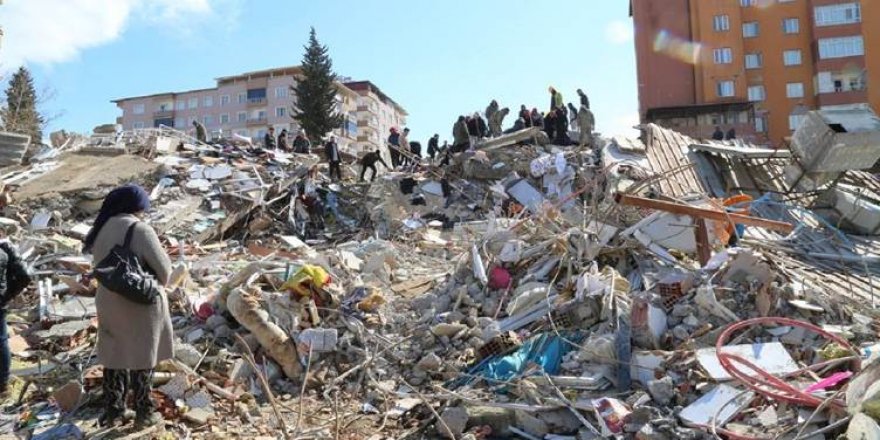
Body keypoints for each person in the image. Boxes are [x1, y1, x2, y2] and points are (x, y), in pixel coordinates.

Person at [83, 185, 173, 427]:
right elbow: (165, 273)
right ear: (137, 206)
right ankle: (145, 413)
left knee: (115, 354)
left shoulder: (101, 228)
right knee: (143, 356)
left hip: (108, 300)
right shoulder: (140, 230)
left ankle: (114, 411)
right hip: (138, 303)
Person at [0, 238, 31, 398]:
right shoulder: (5, 251)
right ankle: (3, 386)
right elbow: (25, 276)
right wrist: (7, 296)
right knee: (1, 341)